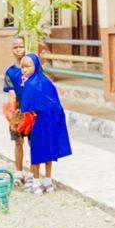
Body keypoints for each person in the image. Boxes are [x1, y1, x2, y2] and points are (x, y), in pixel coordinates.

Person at [18, 53, 72, 194]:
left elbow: (27, 108)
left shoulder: (31, 83)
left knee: (36, 151)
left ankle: (36, 183)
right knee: (49, 150)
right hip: (53, 119)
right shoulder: (45, 80)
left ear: (35, 66)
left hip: (40, 121)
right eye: (22, 67)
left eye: (28, 66)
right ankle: (48, 182)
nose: (24, 70)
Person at [3, 36, 28, 183]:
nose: (19, 50)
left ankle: (33, 173)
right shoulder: (10, 72)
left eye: (21, 46)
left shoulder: (33, 68)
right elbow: (11, 93)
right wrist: (14, 113)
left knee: (33, 142)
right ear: (12, 50)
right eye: (16, 47)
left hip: (33, 110)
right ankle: (19, 172)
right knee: (18, 141)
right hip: (17, 110)